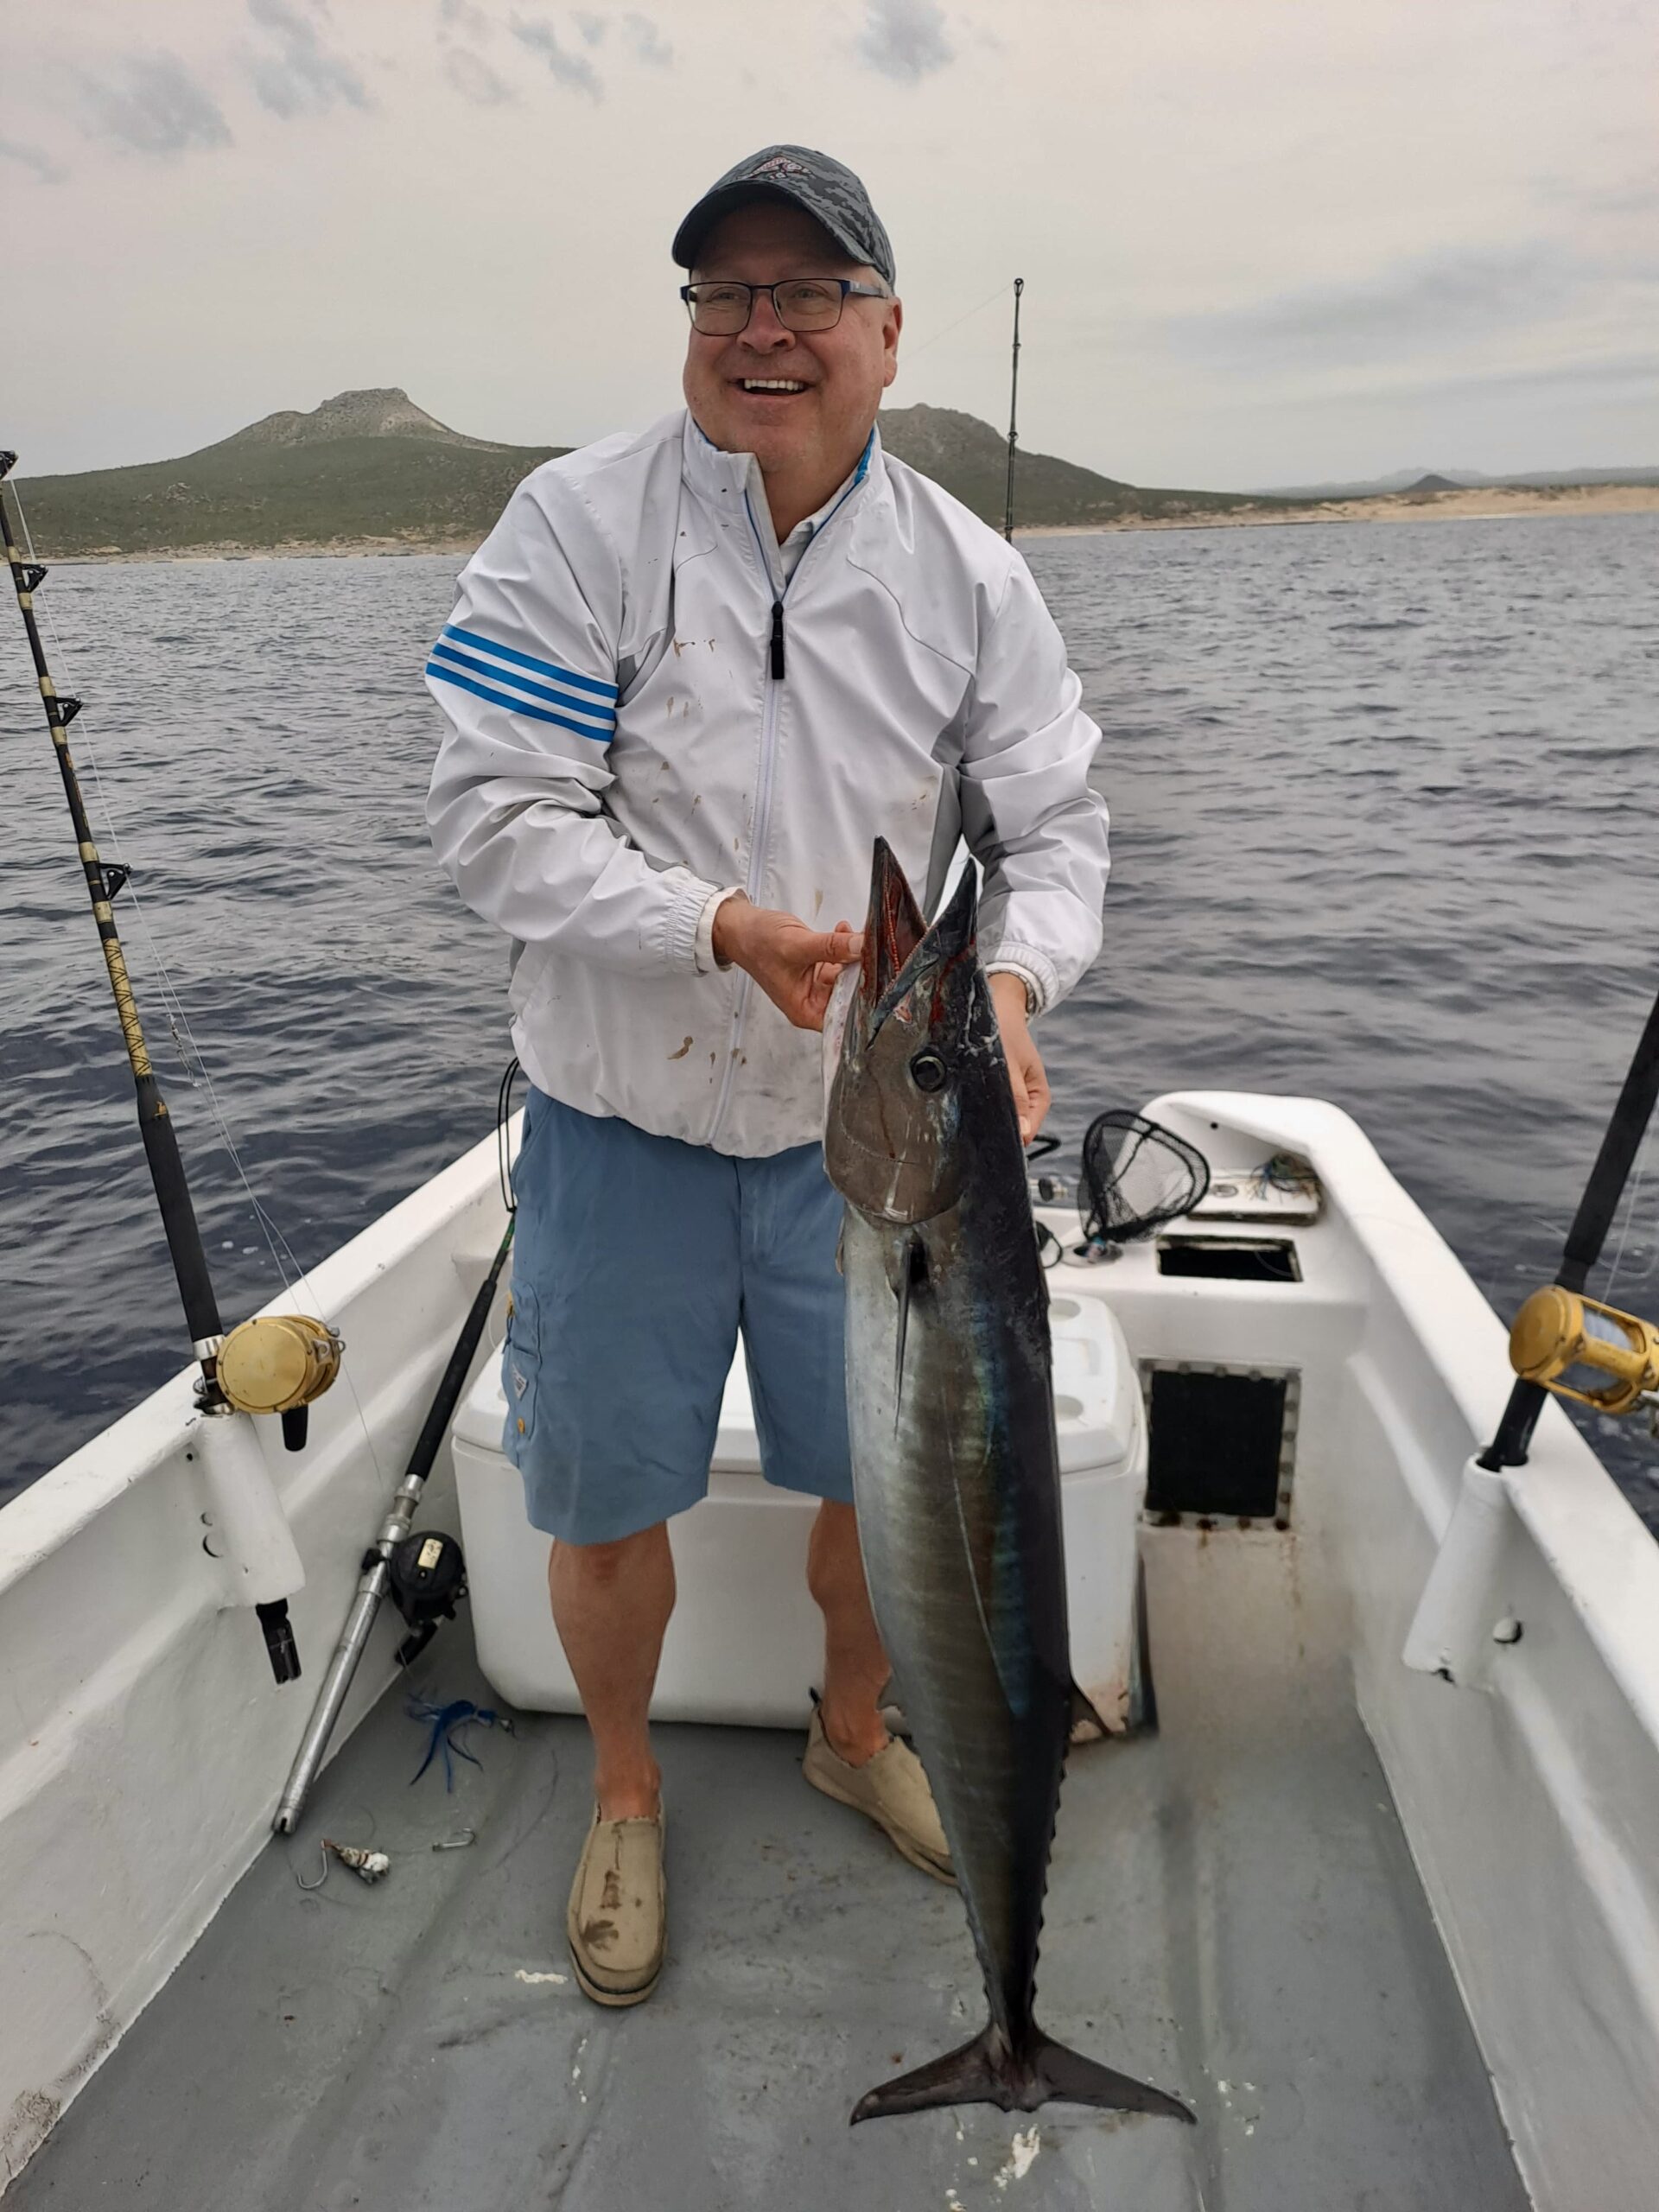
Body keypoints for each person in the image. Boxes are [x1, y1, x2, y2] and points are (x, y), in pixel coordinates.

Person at [425, 145, 1109, 2008]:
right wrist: (718, 926)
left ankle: (854, 1719)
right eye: (724, 295)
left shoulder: (969, 577)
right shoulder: (575, 526)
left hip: (864, 1148)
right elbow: (497, 823)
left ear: (888, 333)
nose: (764, 330)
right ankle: (628, 1788)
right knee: (599, 1498)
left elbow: (1055, 828)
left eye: (811, 294)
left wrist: (1027, 976)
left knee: (886, 1491)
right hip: (617, 1119)